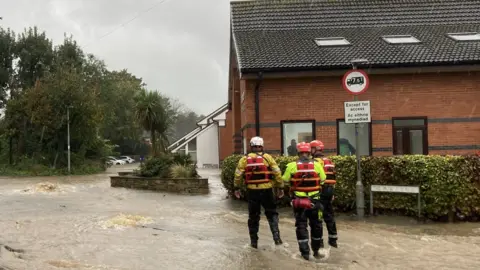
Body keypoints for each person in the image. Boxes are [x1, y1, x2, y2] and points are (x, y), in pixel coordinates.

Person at [233, 136, 285, 249]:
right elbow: (277, 173)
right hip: (267, 191)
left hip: (252, 191)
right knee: (272, 214)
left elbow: (238, 175)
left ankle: (253, 243)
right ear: (262, 146)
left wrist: (236, 188)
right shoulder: (268, 158)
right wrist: (280, 187)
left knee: (253, 217)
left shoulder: (244, 159)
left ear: (251, 146)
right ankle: (277, 239)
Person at [282, 142, 326, 260]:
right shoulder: (317, 165)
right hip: (315, 201)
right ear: (308, 152)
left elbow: (284, 180)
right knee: (316, 226)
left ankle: (305, 254)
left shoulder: (291, 165)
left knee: (301, 226)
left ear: (298, 153)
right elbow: (323, 179)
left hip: (299, 203)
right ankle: (316, 252)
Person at [310, 140, 338, 248]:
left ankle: (319, 242)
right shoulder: (329, 161)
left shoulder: (315, 162)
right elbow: (333, 176)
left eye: (311, 149)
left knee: (318, 216)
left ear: (315, 149)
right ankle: (333, 239)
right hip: (330, 190)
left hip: (320, 191)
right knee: (329, 215)